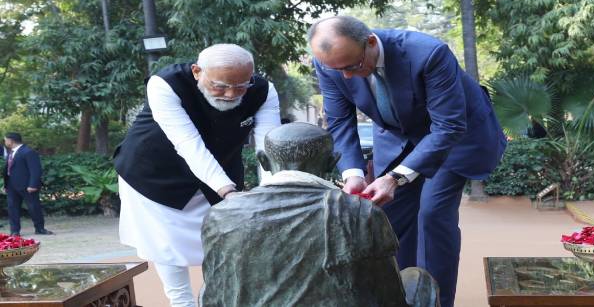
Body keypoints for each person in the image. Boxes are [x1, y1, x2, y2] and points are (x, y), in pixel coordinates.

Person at [309, 15, 507, 307]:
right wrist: (353, 174)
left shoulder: (428, 54)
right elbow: (340, 122)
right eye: (336, 69)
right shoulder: (331, 63)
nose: (346, 76)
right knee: (387, 217)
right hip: (398, 139)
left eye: (352, 66)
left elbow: (448, 126)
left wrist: (396, 178)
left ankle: (434, 301)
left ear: (371, 43)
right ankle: (401, 297)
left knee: (431, 214)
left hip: (456, 137)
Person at [200, 122, 439, 307]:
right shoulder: (358, 212)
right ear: (331, 162)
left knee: (204, 290)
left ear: (263, 161)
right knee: (419, 281)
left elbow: (213, 297)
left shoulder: (220, 215)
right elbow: (390, 298)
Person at [113, 44, 281, 307]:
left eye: (240, 86)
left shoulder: (263, 91)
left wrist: (272, 192)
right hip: (153, 174)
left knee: (228, 243)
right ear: (196, 71)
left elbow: (268, 147)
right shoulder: (165, 84)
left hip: (219, 171)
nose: (230, 94)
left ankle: (213, 300)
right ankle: (181, 302)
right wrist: (228, 191)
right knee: (166, 245)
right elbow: (189, 145)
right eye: (220, 86)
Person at [4, 132, 50, 236]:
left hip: (27, 185)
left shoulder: (28, 152)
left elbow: (35, 170)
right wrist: (6, 185)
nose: (5, 142)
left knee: (33, 207)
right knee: (12, 208)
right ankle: (15, 231)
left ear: (11, 140)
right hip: (12, 186)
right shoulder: (11, 152)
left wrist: (33, 184)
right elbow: (8, 170)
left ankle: (40, 228)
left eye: (5, 140)